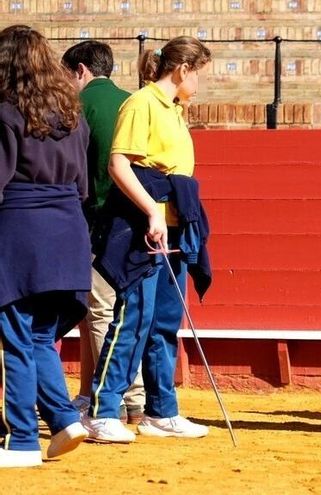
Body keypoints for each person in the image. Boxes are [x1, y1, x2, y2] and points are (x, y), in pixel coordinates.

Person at [83, 36, 213, 443]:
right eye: (200, 75)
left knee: (163, 322)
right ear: (183, 69)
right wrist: (153, 211)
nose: (200, 85)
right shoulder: (141, 104)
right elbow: (119, 163)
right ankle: (102, 410)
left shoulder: (175, 110)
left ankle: (161, 411)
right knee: (133, 316)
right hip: (145, 226)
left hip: (173, 226)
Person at [0, 24, 91, 468]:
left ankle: (20, 440)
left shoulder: (5, 114)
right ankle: (62, 418)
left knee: (17, 339)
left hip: (20, 235)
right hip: (68, 231)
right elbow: (84, 188)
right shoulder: (74, 117)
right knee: (37, 338)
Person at [61, 40, 145, 425]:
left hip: (95, 221)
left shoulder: (78, 107)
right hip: (141, 219)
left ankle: (116, 397)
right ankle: (103, 391)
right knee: (125, 310)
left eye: (68, 76)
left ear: (80, 71)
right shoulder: (134, 102)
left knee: (99, 311)